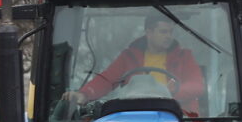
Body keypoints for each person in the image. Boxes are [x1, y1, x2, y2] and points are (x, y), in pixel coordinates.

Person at [71, 16, 205, 112]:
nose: (169, 36)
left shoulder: (184, 56)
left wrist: (172, 91)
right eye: (163, 32)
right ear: (149, 32)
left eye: (171, 32)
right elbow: (107, 79)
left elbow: (197, 86)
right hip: (136, 114)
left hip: (176, 114)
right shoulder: (129, 56)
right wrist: (84, 94)